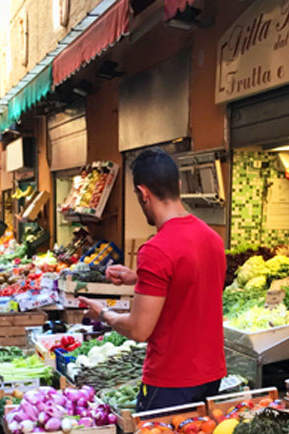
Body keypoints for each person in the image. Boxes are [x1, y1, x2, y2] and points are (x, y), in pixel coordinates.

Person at [79, 148, 226, 412]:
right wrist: (138, 278)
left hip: (170, 382)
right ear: (178, 186)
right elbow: (189, 283)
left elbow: (139, 329)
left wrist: (104, 314)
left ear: (143, 193)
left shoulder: (156, 250)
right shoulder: (213, 239)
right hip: (212, 377)